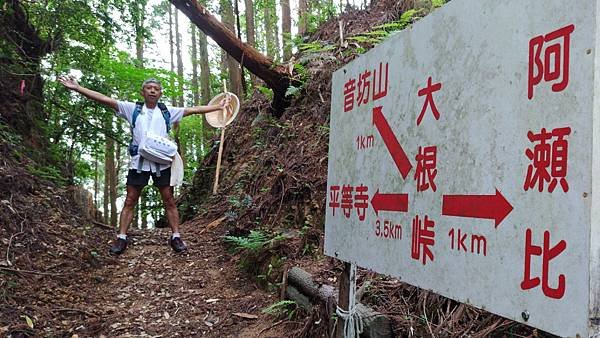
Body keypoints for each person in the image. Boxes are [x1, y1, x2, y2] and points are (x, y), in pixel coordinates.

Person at [58, 76, 229, 254]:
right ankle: (122, 237)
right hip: (138, 162)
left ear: (160, 93)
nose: (153, 90)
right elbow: (105, 99)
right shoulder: (132, 109)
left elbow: (194, 109)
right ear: (143, 92)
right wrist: (78, 88)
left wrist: (218, 106)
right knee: (130, 199)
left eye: (156, 88)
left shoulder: (167, 111)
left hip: (161, 162)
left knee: (169, 199)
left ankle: (176, 236)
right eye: (149, 88)